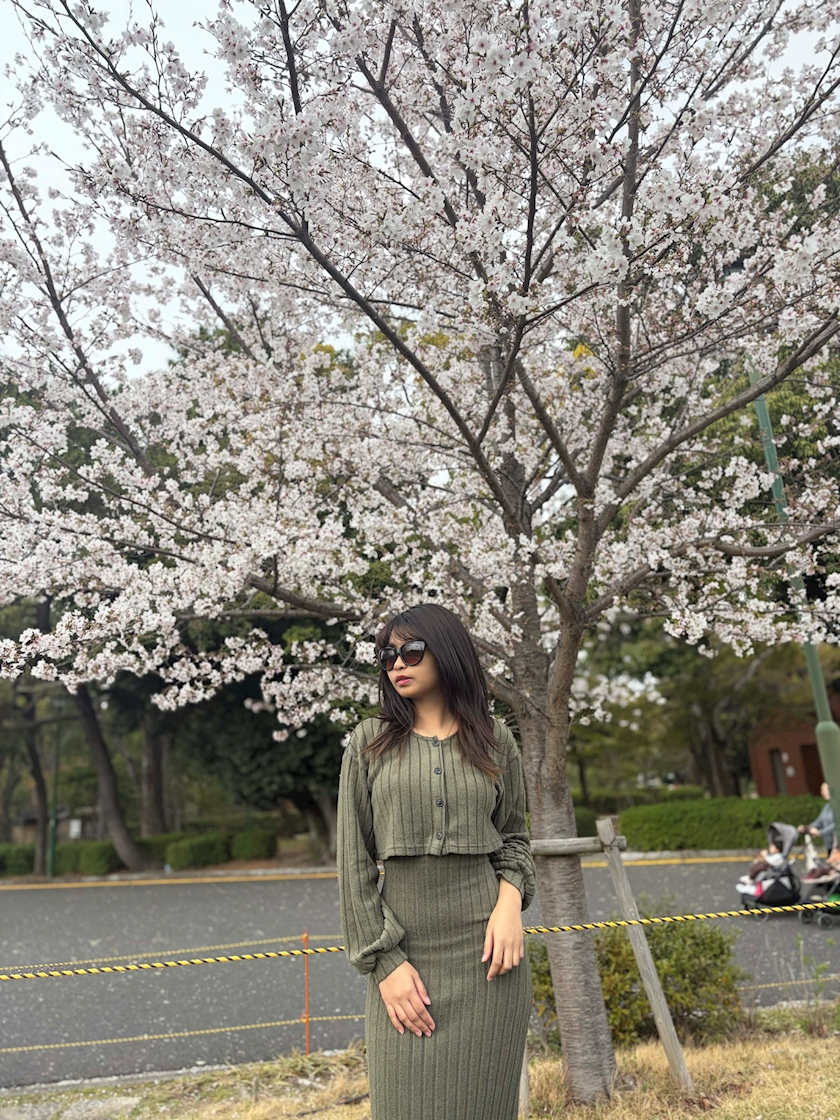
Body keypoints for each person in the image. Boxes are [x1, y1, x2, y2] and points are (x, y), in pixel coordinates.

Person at [336, 602, 535, 1120]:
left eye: (411, 651)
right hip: (406, 962)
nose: (396, 664)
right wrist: (385, 964)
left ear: (446, 651)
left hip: (490, 962)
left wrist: (509, 906)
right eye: (387, 656)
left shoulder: (496, 740)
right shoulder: (368, 742)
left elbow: (514, 839)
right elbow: (353, 867)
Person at [798, 782, 837, 854]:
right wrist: (808, 828)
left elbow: (837, 825)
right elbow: (819, 821)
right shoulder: (827, 807)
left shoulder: (837, 805)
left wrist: (820, 832)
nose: (824, 792)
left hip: (837, 846)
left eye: (827, 789)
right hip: (829, 845)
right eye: (822, 790)